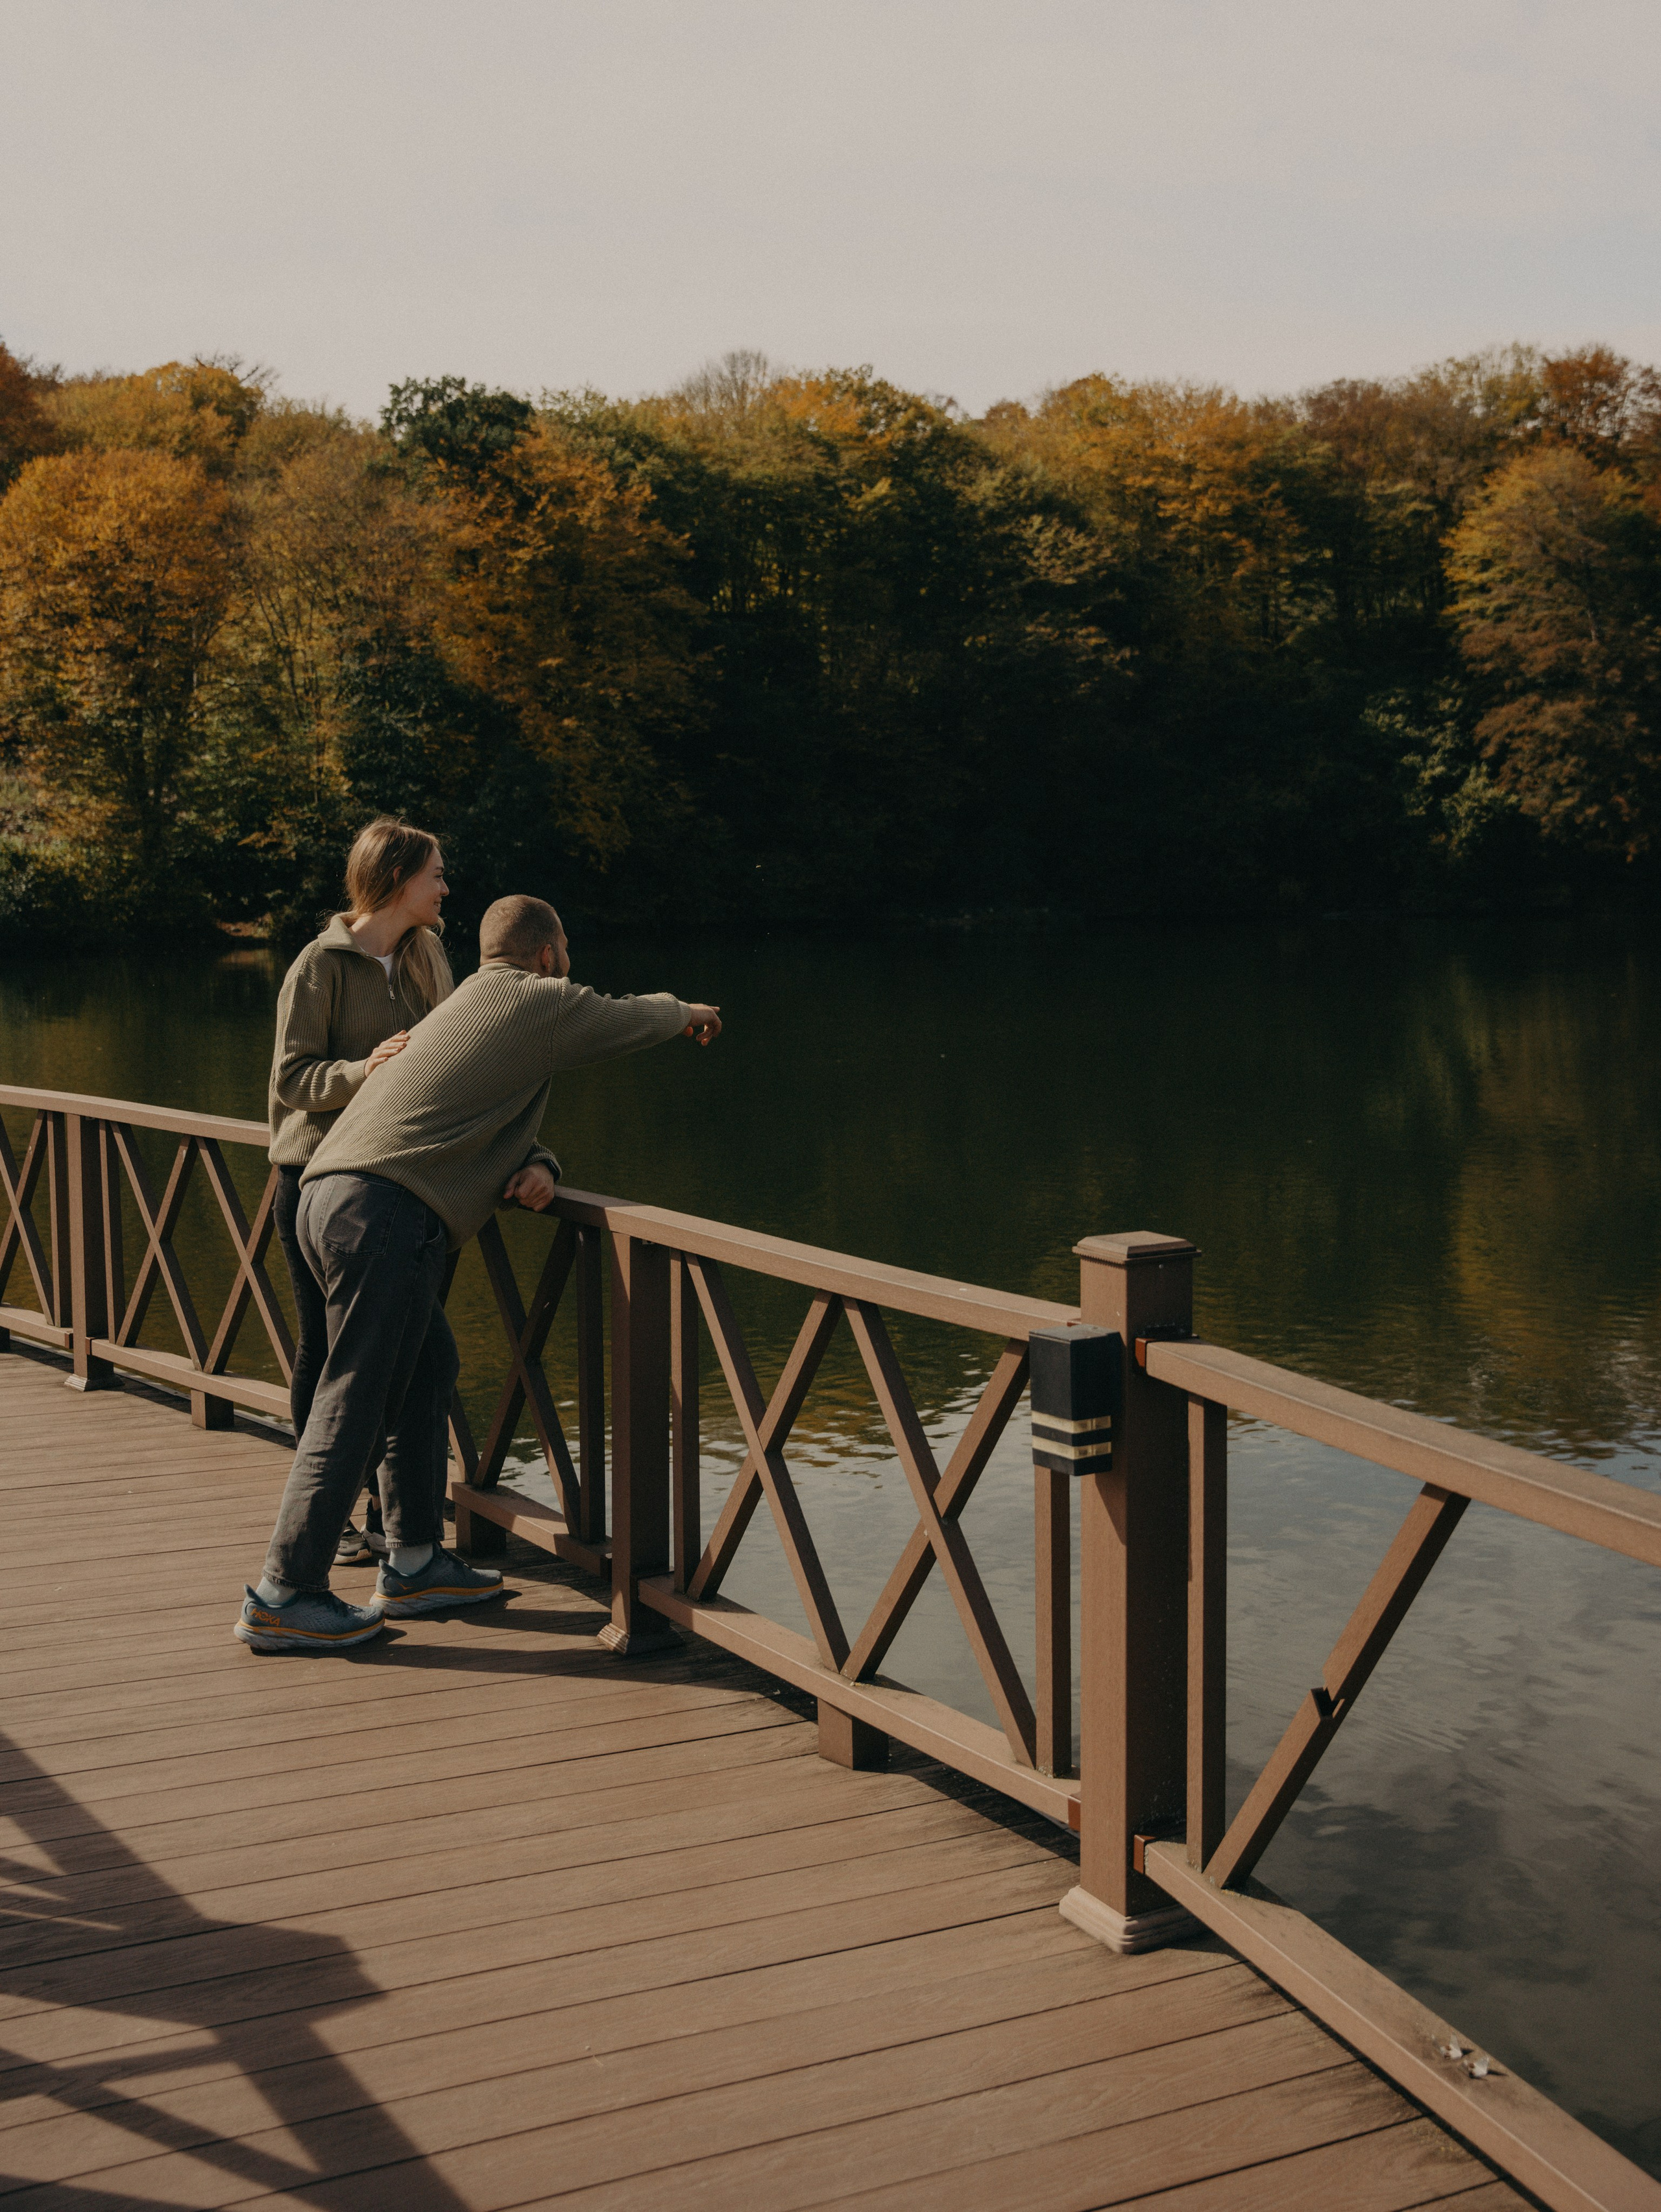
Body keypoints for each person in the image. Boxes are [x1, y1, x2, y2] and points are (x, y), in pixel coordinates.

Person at [235, 893, 723, 1653]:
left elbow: (470, 1110)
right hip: (379, 1211)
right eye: (566, 953)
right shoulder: (537, 998)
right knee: (354, 1396)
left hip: (328, 1194)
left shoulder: (463, 1002)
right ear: (547, 954)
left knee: (429, 1369)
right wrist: (690, 1008)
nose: (569, 967)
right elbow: (627, 1017)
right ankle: (283, 1591)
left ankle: (416, 1560)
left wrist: (539, 1159)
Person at [267, 817, 454, 1568]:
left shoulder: (428, 954)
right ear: (397, 879)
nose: (445, 887)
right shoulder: (320, 964)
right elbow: (289, 1080)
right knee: (329, 1350)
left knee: (412, 1352)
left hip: (401, 1186)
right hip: (314, 1182)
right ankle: (331, 1520)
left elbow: (455, 1059)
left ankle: (393, 1520)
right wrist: (360, 1071)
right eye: (436, 874)